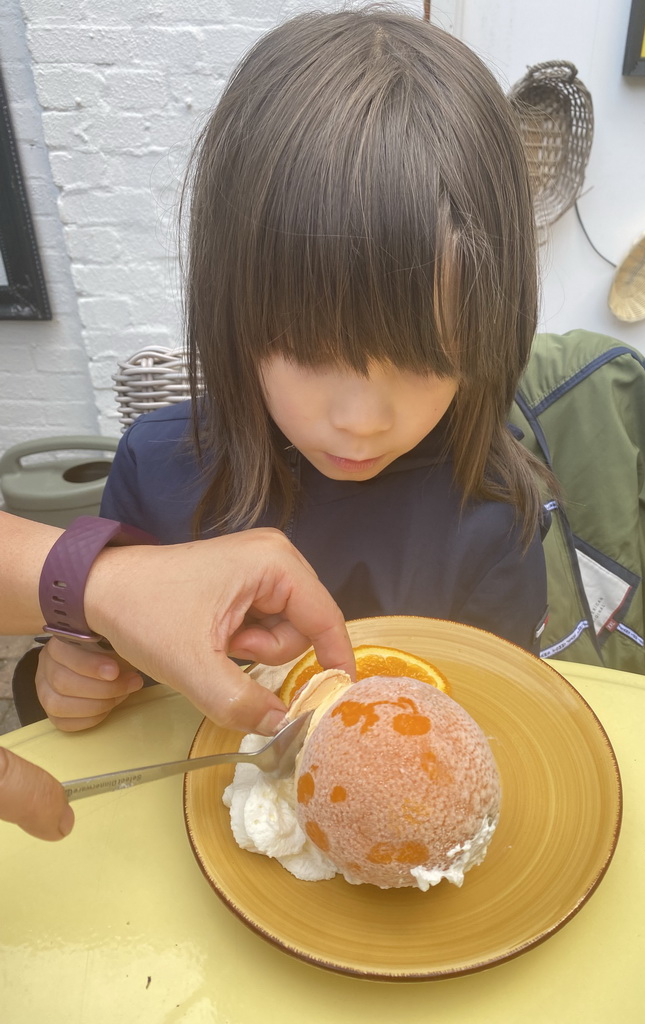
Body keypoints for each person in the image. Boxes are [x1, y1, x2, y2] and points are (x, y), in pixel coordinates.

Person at [25, 8, 551, 732]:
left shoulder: (491, 515)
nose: (362, 420)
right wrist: (74, 678)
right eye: (309, 350)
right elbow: (111, 667)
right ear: (233, 304)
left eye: (431, 358)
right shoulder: (156, 472)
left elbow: (501, 724)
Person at [0, 510, 354, 840]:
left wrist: (100, 588)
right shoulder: (150, 461)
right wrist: (83, 645)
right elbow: (96, 632)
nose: (362, 437)